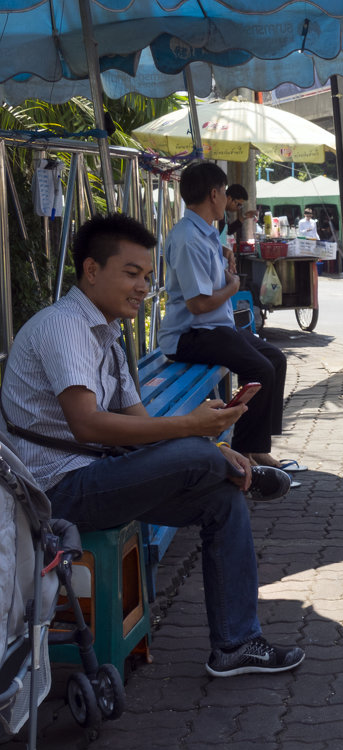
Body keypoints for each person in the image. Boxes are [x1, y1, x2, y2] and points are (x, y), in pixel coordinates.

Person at [0, 213, 304, 677]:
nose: (143, 287)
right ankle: (230, 467)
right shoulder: (63, 327)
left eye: (146, 276)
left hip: (96, 477)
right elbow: (87, 425)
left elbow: (138, 422)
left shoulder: (106, 333)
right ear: (91, 270)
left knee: (221, 497)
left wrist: (211, 443)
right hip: (53, 493)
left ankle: (237, 645)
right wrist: (192, 431)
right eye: (131, 273)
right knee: (195, 452)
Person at [159, 161, 300, 474]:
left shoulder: (205, 232)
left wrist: (224, 261)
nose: (227, 199)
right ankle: (242, 453)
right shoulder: (189, 239)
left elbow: (207, 280)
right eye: (224, 192)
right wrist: (234, 285)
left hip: (215, 328)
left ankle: (258, 448)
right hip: (190, 335)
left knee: (275, 359)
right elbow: (197, 303)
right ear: (213, 194)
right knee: (259, 369)